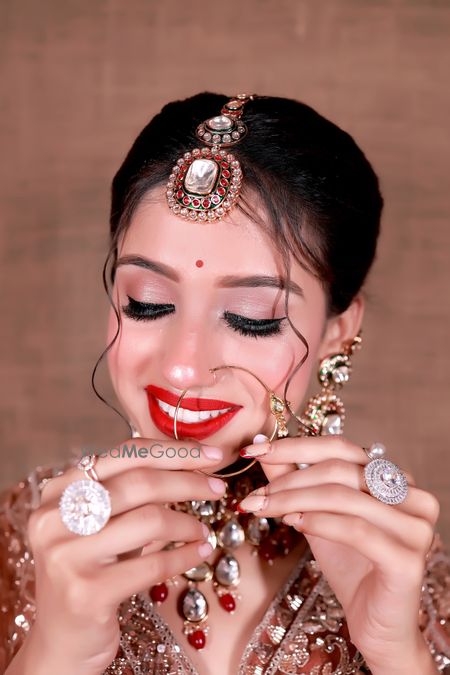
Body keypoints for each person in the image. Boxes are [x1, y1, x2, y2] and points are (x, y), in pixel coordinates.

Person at [1, 92, 449, 675]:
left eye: (250, 318)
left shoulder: (399, 565)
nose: (183, 367)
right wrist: (53, 657)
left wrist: (398, 654)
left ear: (338, 331)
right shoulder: (24, 543)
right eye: (147, 303)